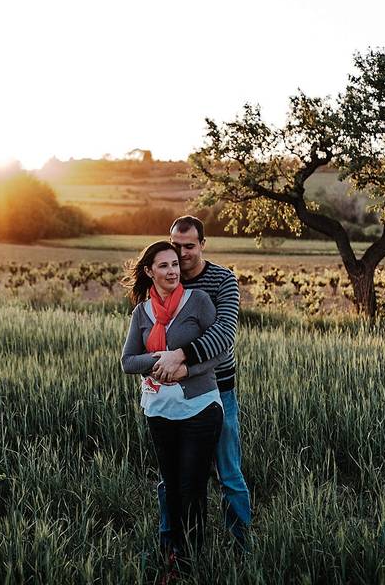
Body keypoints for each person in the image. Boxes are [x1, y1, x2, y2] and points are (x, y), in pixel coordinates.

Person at [120, 240, 225, 575]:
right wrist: (158, 359)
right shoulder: (142, 312)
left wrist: (185, 368)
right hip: (158, 410)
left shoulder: (199, 302)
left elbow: (220, 350)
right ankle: (174, 554)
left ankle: (192, 560)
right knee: (171, 483)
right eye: (163, 266)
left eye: (175, 265)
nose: (172, 271)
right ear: (149, 271)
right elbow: (127, 361)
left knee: (191, 486)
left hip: (200, 408)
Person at [151, 216, 252, 550]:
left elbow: (223, 335)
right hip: (172, 394)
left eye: (189, 246)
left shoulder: (223, 280)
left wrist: (180, 357)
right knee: (172, 479)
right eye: (176, 246)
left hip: (219, 390)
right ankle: (172, 546)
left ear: (202, 245)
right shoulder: (165, 279)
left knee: (229, 473)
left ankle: (241, 547)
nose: (181, 254)